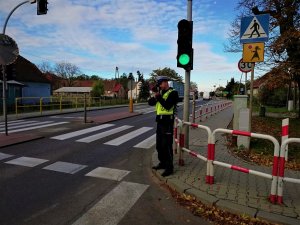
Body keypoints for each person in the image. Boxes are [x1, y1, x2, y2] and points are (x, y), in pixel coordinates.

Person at [148, 76, 179, 177]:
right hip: (160, 122)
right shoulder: (160, 93)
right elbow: (150, 103)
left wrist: (159, 97)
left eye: (160, 83)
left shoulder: (173, 93)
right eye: (158, 84)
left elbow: (167, 106)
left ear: (165, 83)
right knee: (159, 145)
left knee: (167, 145)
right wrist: (154, 94)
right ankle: (162, 163)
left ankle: (169, 168)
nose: (159, 86)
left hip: (167, 122)